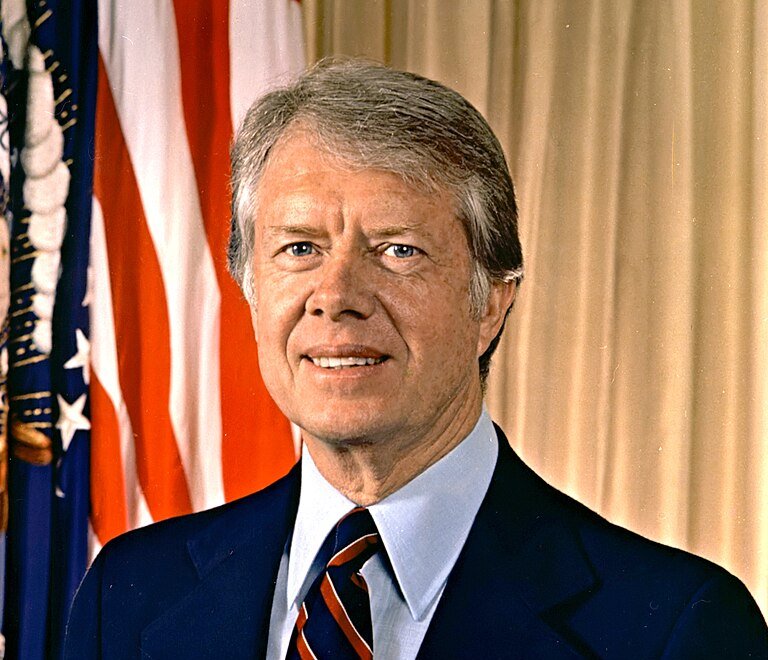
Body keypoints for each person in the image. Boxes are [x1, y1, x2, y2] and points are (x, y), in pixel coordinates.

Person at [65, 59, 767, 659]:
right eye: (300, 248)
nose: (335, 296)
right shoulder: (128, 597)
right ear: (249, 287)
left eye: (398, 250)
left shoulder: (673, 627)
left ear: (490, 302)